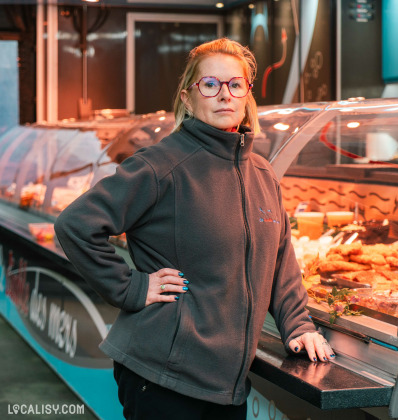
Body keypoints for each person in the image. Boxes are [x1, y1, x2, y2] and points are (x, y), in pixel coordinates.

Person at [54, 37, 334, 420]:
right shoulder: (160, 165)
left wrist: (298, 325)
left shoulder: (262, 174)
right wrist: (132, 287)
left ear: (247, 95)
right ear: (188, 97)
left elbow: (280, 257)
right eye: (210, 84)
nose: (225, 95)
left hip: (227, 385)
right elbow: (76, 225)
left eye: (236, 85)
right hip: (163, 376)